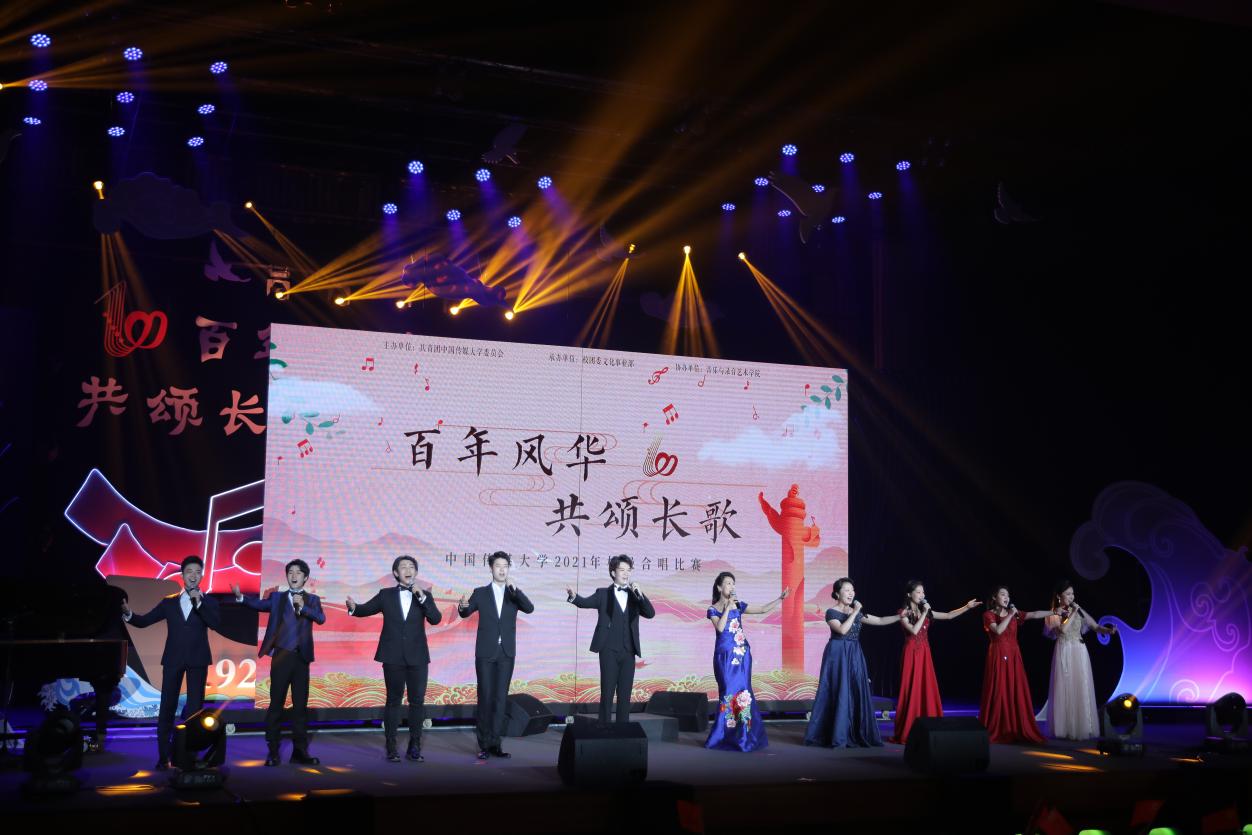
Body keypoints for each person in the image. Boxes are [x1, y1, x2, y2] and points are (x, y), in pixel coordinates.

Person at [121, 555, 221, 769]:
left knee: (195, 709)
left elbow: (215, 623)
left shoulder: (209, 602)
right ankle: (163, 755)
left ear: (202, 576)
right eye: (189, 572)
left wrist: (199, 603)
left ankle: (191, 754)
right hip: (173, 659)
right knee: (167, 706)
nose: (193, 576)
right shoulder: (169, 602)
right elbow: (144, 621)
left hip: (198, 660)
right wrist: (129, 614)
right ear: (182, 575)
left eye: (197, 572)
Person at [346, 555, 442, 762]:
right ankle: (391, 746)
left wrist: (422, 598)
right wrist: (353, 607)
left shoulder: (425, 595)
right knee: (393, 701)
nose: (408, 569)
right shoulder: (386, 595)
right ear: (396, 573)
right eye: (403, 567)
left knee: (417, 702)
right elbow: (364, 609)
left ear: (416, 572)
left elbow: (436, 619)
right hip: (392, 656)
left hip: (418, 656)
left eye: (411, 566)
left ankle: (414, 746)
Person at [231, 558, 325, 766]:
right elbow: (259, 604)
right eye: (290, 572)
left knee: (300, 707)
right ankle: (273, 751)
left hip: (301, 659)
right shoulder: (277, 598)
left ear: (305, 577)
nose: (293, 576)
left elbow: (320, 618)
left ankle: (300, 751)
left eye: (298, 572)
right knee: (276, 705)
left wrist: (303, 607)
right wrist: (241, 598)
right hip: (281, 657)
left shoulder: (312, 599)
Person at [804, 578, 900, 748]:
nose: (851, 593)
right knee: (838, 690)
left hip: (854, 653)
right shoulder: (831, 612)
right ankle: (835, 733)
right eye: (847, 590)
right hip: (837, 655)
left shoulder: (855, 612)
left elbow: (879, 620)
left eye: (852, 590)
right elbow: (842, 630)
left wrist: (899, 617)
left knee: (855, 689)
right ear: (837, 593)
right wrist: (855, 612)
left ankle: (854, 731)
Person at [457, 551, 534, 759]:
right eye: (498, 566)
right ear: (491, 568)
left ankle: (495, 744)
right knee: (486, 697)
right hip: (485, 652)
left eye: (505, 566)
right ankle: (483, 745)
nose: (502, 570)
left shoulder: (513, 593)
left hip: (506, 653)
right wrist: (462, 607)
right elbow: (465, 612)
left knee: (500, 699)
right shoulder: (481, 593)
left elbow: (529, 608)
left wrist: (516, 591)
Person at [704, 571, 790, 752]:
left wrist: (779, 599)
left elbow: (762, 609)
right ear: (719, 587)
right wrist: (728, 607)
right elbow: (720, 628)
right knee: (728, 692)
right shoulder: (713, 609)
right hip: (724, 656)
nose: (732, 586)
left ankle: (744, 736)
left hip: (742, 654)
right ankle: (723, 735)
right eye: (728, 583)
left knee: (743, 692)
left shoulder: (739, 605)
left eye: (733, 583)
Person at [565, 555, 655, 724]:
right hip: (608, 650)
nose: (626, 573)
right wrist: (574, 597)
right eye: (622, 570)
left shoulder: (634, 596)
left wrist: (640, 594)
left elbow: (650, 613)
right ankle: (604, 729)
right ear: (613, 573)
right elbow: (584, 602)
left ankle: (622, 730)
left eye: (628, 570)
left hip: (629, 652)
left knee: (625, 694)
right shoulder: (603, 594)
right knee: (607, 693)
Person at [890, 580, 981, 744]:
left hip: (925, 653)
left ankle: (928, 727)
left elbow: (948, 615)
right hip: (911, 653)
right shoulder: (903, 613)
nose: (922, 595)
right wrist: (925, 612)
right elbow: (914, 631)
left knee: (926, 688)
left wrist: (966, 607)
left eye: (923, 592)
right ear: (909, 594)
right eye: (918, 592)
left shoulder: (926, 611)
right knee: (911, 688)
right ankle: (908, 728)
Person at [1043, 580, 1117, 740]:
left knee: (1080, 686)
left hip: (1080, 650)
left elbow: (1094, 626)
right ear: (1059, 596)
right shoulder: (1054, 613)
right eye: (1068, 594)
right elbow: (1062, 630)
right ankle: (1064, 728)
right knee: (1065, 687)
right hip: (1064, 650)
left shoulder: (1078, 610)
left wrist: (1108, 631)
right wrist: (1073, 613)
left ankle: (1081, 726)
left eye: (1072, 594)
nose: (1071, 597)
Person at [979, 585, 1050, 744]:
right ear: (994, 598)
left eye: (1008, 595)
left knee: (1014, 688)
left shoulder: (1014, 614)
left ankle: (1016, 727)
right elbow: (998, 630)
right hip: (998, 654)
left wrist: (1054, 612)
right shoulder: (988, 615)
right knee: (999, 689)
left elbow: (1034, 614)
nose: (1007, 598)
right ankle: (1000, 727)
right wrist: (1011, 615)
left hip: (1013, 655)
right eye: (1003, 594)